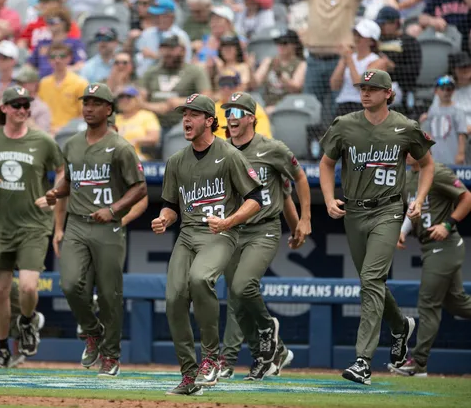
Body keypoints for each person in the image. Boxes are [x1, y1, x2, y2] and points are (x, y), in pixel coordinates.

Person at [319, 69, 435, 385]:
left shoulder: (405, 127)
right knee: (371, 282)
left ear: (388, 93)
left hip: (387, 210)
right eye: (362, 88)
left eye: (372, 88)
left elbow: (427, 164)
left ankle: (363, 361)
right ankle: (400, 327)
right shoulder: (345, 125)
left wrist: (420, 198)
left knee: (371, 278)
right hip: (354, 212)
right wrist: (329, 198)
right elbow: (326, 163)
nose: (365, 93)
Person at [151, 93, 263, 395]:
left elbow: (255, 199)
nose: (186, 119)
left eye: (194, 114)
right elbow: (171, 205)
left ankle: (212, 357)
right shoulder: (176, 161)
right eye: (184, 114)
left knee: (201, 279)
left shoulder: (229, 155)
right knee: (174, 298)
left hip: (221, 234)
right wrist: (164, 218)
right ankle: (189, 376)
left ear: (210, 121)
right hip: (187, 235)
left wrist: (229, 222)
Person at [45, 83, 148, 376]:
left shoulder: (121, 147)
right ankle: (92, 332)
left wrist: (114, 209)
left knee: (109, 294)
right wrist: (56, 193)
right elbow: (71, 181)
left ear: (108, 109)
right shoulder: (73, 144)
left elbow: (140, 187)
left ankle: (111, 356)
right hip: (77, 222)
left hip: (108, 226)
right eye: (85, 102)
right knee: (69, 284)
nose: (88, 107)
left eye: (95, 102)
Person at [0, 86, 64, 367]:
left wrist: (52, 194)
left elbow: (62, 171)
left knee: (29, 288)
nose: (22, 110)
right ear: (4, 108)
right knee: (0, 290)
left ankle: (28, 320)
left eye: (25, 105)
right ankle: (2, 348)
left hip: (33, 224)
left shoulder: (42, 140)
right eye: (16, 105)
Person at [218, 92, 312, 381]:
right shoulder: (220, 151)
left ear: (251, 118)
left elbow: (296, 181)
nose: (231, 118)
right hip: (232, 231)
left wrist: (303, 222)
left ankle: (268, 330)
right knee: (235, 296)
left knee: (244, 286)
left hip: (264, 229)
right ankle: (270, 354)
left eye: (237, 112)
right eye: (228, 113)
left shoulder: (272, 149)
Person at [390, 158, 471, 377]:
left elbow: (466, 198)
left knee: (428, 303)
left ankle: (418, 363)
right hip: (429, 246)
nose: (407, 153)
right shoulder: (408, 177)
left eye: (412, 148)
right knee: (458, 305)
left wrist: (448, 224)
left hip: (445, 245)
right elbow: (414, 208)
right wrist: (403, 231)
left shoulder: (439, 171)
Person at [420, 75, 468, 165]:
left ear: (453, 91)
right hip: (435, 159)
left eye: (449, 89)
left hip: (453, 159)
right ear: (436, 91)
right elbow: (428, 133)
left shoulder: (458, 110)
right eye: (442, 89)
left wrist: (461, 154)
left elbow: (462, 134)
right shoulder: (432, 110)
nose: (446, 92)